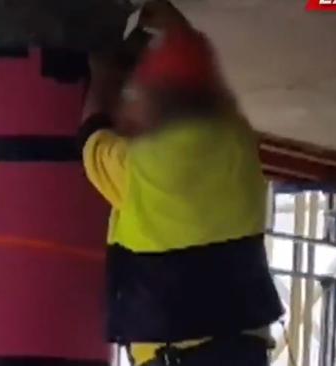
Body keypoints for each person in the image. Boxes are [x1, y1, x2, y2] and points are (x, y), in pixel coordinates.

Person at [79, 2, 284, 365]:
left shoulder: (146, 166)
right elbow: (199, 78)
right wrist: (179, 31)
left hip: (196, 354)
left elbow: (92, 137)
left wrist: (102, 74)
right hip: (237, 341)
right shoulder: (235, 140)